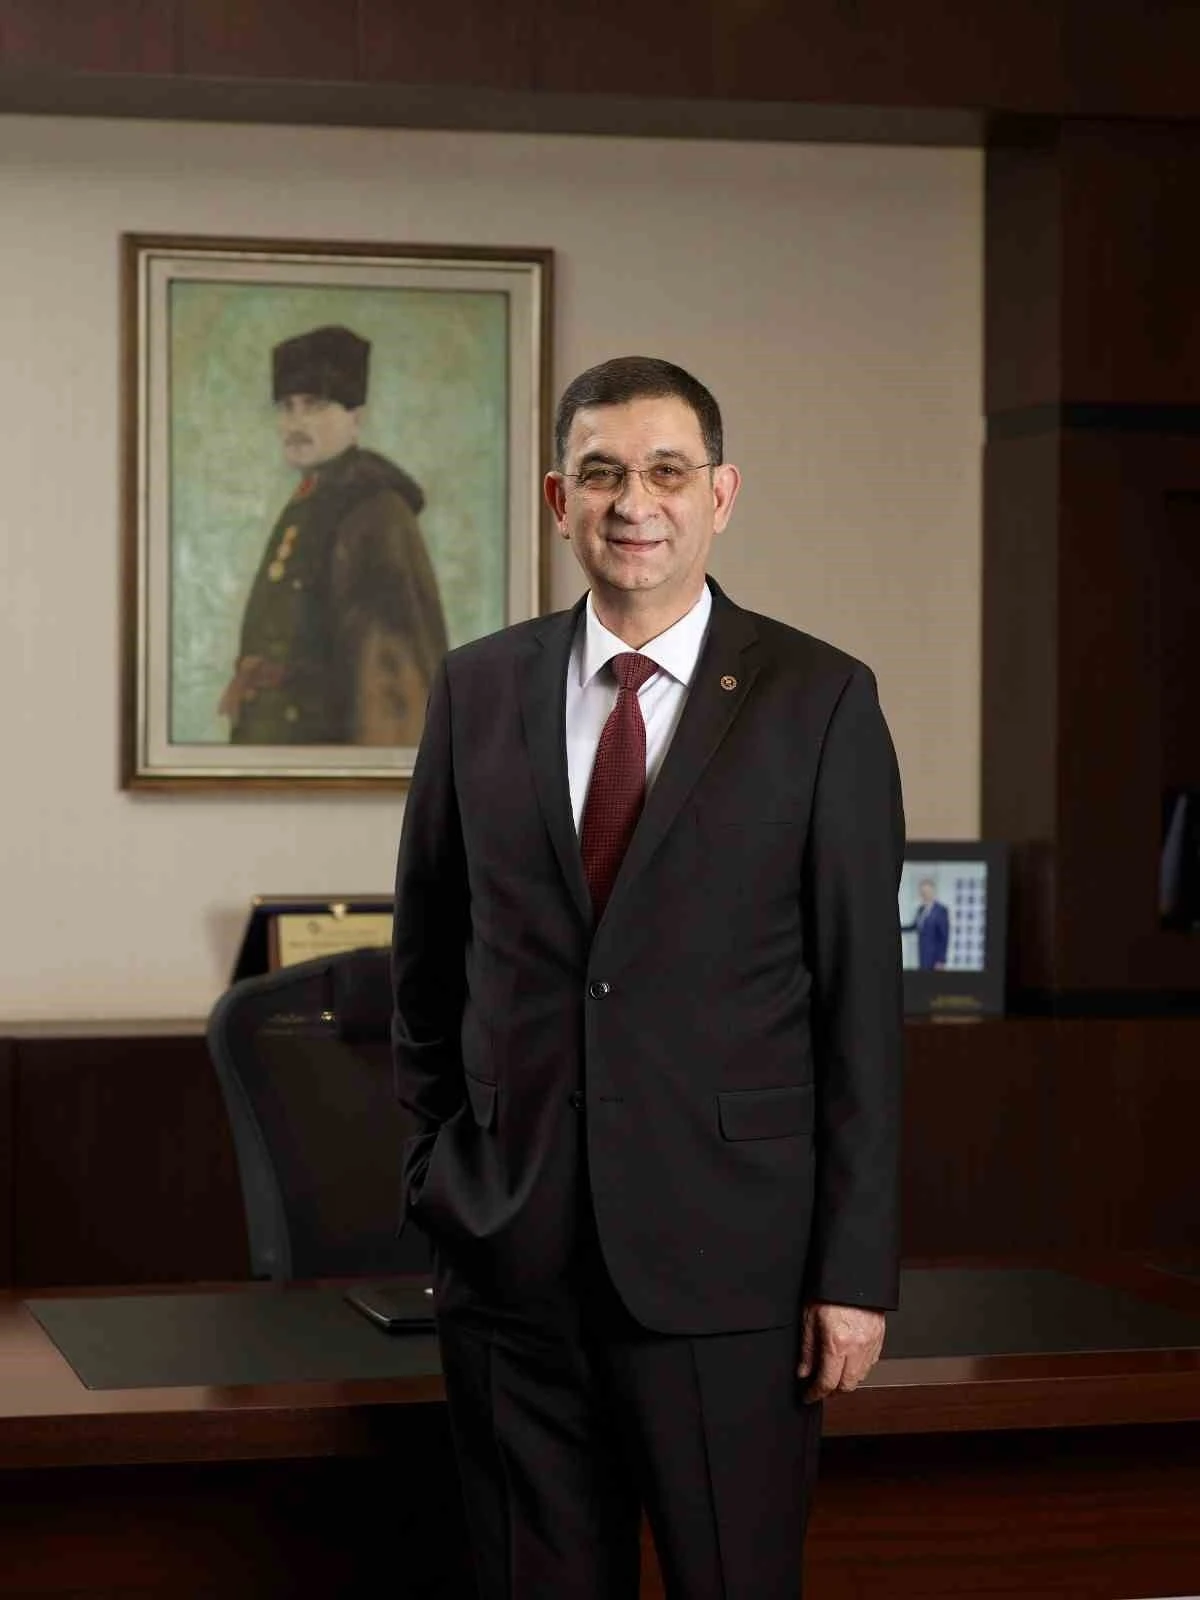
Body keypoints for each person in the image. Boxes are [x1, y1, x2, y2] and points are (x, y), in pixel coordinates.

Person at [391, 355, 905, 1598]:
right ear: (558, 499)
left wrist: (852, 1274)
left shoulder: (819, 700)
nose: (636, 503)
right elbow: (429, 966)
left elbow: (861, 1015)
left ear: (719, 494)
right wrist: (439, 1178)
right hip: (512, 1264)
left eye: (668, 471)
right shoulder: (476, 689)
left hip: (732, 1275)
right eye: (604, 473)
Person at [218, 324, 448, 745]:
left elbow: (392, 679)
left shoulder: (374, 512)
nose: (295, 422)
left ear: (355, 418)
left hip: (329, 758)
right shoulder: (313, 501)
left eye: (314, 405)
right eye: (287, 407)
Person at [902, 877, 950, 970]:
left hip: (935, 958)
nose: (924, 894)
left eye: (927, 891)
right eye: (922, 892)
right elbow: (915, 926)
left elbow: (944, 937)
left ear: (933, 892)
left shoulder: (941, 910)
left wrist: (941, 960)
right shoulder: (921, 909)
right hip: (922, 953)